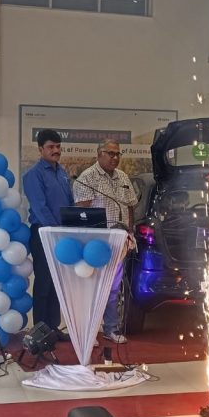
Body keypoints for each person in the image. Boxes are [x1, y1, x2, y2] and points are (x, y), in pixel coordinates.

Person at [73, 139, 139, 344]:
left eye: (118, 153)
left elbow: (130, 206)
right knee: (93, 288)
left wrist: (130, 231)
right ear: (99, 154)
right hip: (96, 244)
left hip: (119, 241)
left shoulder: (123, 177)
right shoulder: (87, 178)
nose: (115, 157)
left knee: (113, 288)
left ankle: (111, 328)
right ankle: (89, 331)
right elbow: (82, 213)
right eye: (110, 153)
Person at [21, 129, 74, 335]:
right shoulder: (33, 175)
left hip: (61, 235)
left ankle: (53, 328)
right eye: (51, 147)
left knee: (56, 283)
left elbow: (69, 203)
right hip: (43, 233)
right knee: (44, 282)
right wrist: (56, 230)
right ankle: (40, 331)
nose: (56, 150)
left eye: (58, 147)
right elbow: (40, 207)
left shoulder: (62, 172)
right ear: (40, 149)